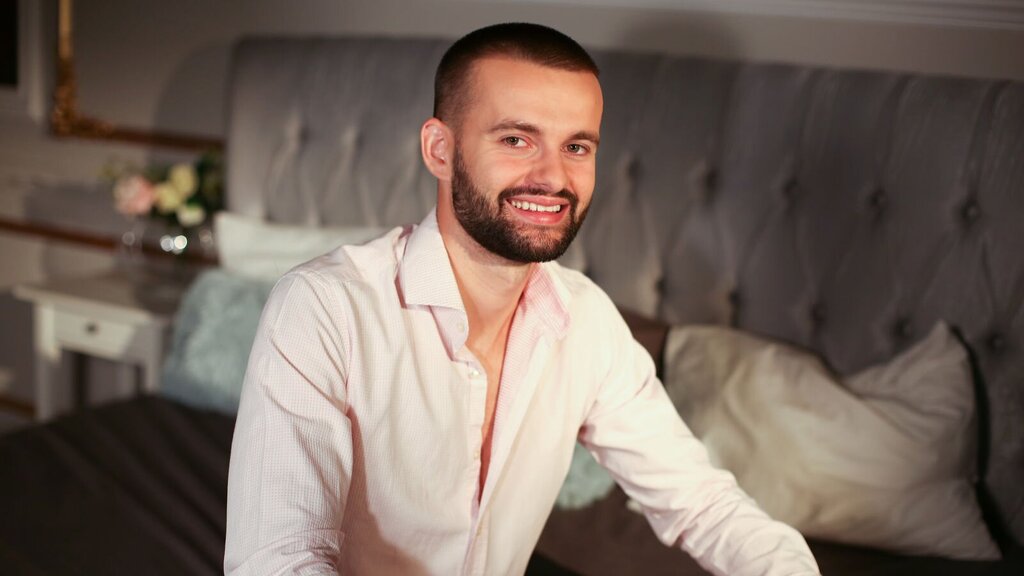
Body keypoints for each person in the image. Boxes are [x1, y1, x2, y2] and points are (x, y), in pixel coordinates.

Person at [225, 22, 820, 576]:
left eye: (577, 147)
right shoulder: (325, 308)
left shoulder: (587, 321)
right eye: (516, 139)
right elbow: (279, 560)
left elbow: (703, 504)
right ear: (439, 149)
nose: (554, 177)